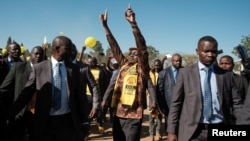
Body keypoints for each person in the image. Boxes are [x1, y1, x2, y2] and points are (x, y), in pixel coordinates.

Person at [6, 36, 89, 141]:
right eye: (68, 49)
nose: (72, 52)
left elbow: (80, 96)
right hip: (45, 123)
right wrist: (9, 114)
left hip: (67, 122)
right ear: (57, 49)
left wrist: (85, 120)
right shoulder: (39, 68)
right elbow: (25, 94)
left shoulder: (74, 69)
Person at [167, 35, 243, 141]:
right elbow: (176, 104)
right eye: (206, 51)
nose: (210, 55)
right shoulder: (185, 73)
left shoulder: (226, 75)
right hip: (192, 132)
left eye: (214, 51)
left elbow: (237, 104)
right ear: (197, 51)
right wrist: (171, 131)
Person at [100, 6, 157, 141]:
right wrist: (105, 27)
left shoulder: (142, 69)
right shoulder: (123, 65)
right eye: (131, 53)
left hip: (134, 115)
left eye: (136, 54)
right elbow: (114, 47)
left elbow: (142, 47)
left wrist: (133, 24)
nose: (132, 55)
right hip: (118, 113)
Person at [0, 46, 44, 141]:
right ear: (30, 55)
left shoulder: (46, 72)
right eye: (36, 53)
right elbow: (3, 89)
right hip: (18, 114)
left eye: (41, 54)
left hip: (38, 115)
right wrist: (7, 110)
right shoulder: (18, 68)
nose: (38, 56)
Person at [69, 44, 100, 140]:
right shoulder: (57, 67)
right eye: (69, 50)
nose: (71, 52)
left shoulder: (84, 68)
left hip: (80, 109)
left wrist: (95, 106)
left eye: (73, 50)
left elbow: (94, 86)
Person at [0, 41, 22, 140]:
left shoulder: (23, 64)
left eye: (18, 49)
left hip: (18, 97)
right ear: (8, 51)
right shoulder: (2, 63)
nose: (17, 51)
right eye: (14, 49)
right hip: (3, 98)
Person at [157, 53, 182, 135]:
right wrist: (161, 106)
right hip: (168, 105)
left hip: (182, 105)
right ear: (172, 61)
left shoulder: (185, 71)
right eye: (176, 61)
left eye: (180, 61)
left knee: (181, 126)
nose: (178, 63)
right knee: (170, 126)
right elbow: (159, 91)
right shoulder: (163, 73)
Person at [85, 56, 111, 134]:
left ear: (94, 63)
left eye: (89, 62)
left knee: (99, 112)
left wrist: (104, 97)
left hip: (98, 95)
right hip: (87, 95)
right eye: (87, 62)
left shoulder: (101, 71)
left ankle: (100, 125)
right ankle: (87, 130)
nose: (87, 63)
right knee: (87, 112)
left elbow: (105, 84)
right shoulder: (85, 70)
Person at [148, 59, 164, 141]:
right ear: (153, 65)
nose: (157, 66)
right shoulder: (150, 73)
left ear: (160, 65)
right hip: (151, 97)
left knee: (159, 117)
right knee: (151, 117)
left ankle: (158, 132)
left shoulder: (163, 73)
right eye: (155, 65)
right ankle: (151, 134)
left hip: (160, 98)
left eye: (158, 65)